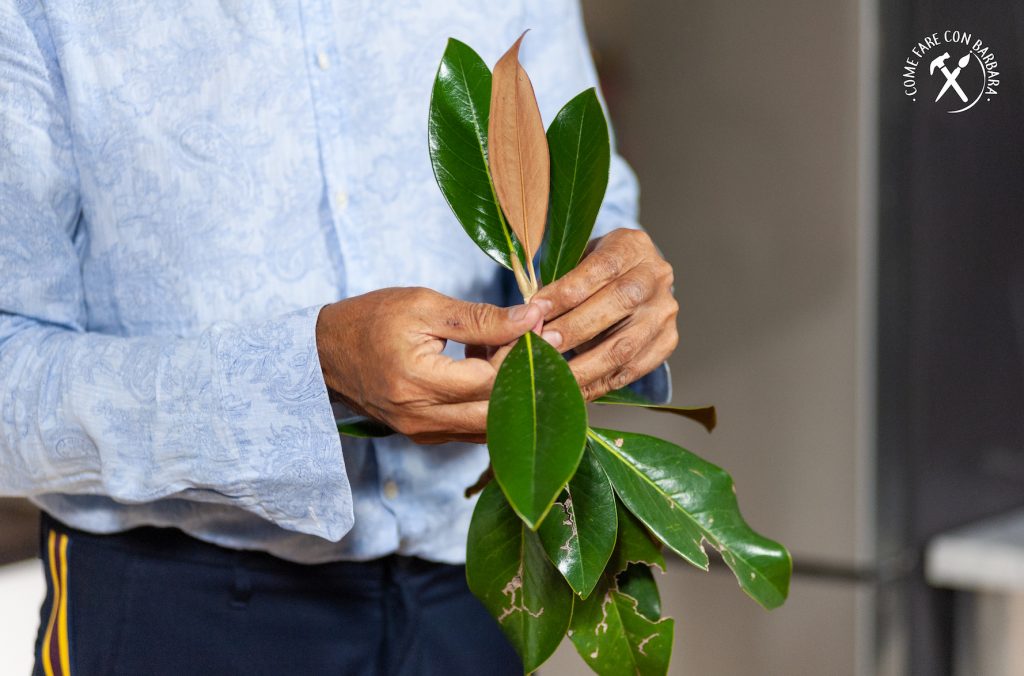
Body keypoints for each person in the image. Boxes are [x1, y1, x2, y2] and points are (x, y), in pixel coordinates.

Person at [0, 1, 678, 673]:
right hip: (175, 603)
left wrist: (603, 292)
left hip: (480, 576)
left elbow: (583, 191)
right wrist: (306, 370)